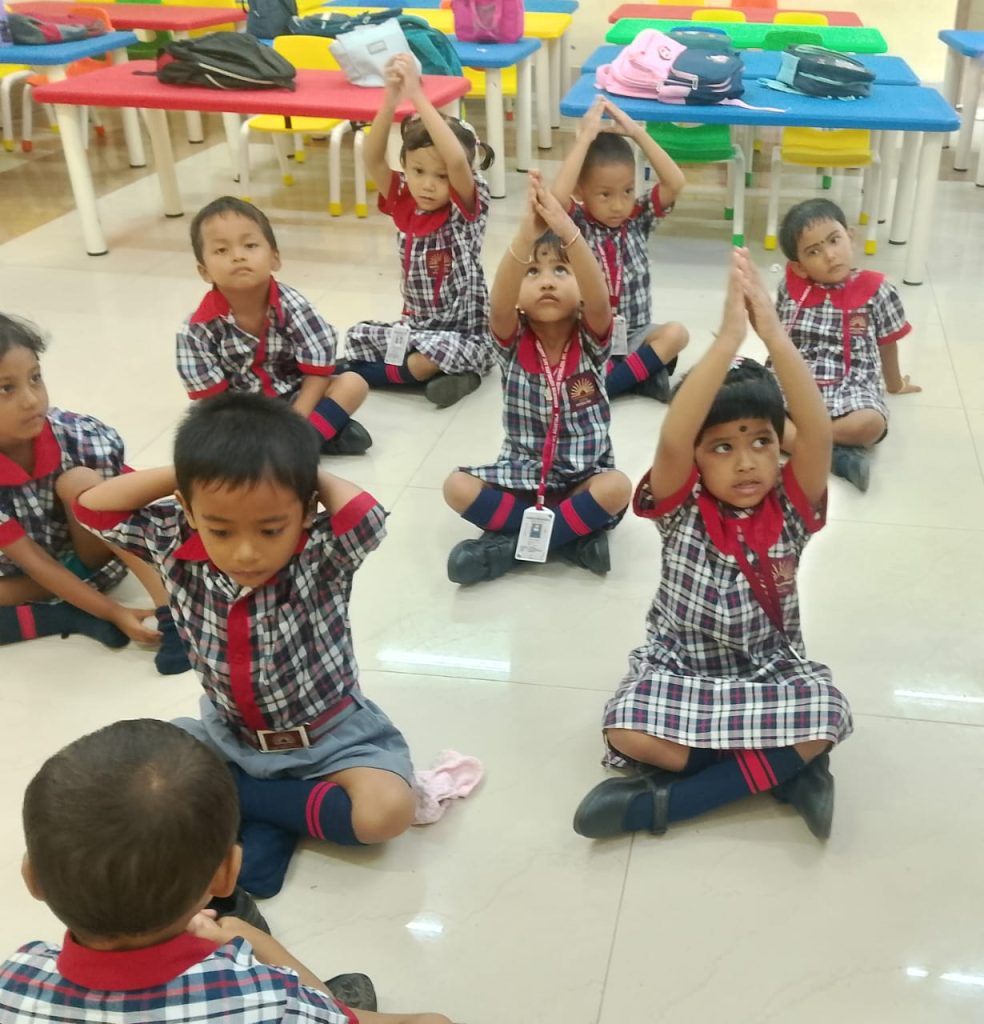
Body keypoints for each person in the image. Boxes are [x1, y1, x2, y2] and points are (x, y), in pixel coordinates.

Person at [74, 394, 416, 899]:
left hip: (330, 737)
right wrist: (195, 473)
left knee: (387, 812)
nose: (247, 551)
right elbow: (91, 508)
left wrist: (296, 471)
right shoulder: (171, 539)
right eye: (221, 529)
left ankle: (244, 803)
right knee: (139, 776)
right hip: (230, 736)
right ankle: (280, 810)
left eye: (271, 528)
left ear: (307, 510)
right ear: (189, 510)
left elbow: (367, 518)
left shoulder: (321, 551)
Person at [574, 251, 852, 842]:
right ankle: (781, 771)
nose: (746, 462)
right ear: (698, 460)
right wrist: (728, 339)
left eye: (760, 442)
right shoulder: (682, 504)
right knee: (624, 727)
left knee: (828, 713)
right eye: (723, 447)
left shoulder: (790, 507)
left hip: (768, 669)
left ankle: (670, 803)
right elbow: (675, 436)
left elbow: (818, 432)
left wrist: (772, 334)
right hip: (680, 665)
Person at [0, 718, 452, 1024]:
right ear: (227, 874)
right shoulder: (267, 998)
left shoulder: (14, 978)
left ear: (31, 878)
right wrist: (254, 942)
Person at [442, 171, 632, 585]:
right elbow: (498, 303)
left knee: (617, 488)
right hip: (523, 477)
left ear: (579, 291)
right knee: (456, 486)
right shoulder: (511, 342)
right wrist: (525, 235)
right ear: (519, 297)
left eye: (561, 270)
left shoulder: (591, 340)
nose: (546, 280)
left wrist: (567, 230)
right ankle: (571, 539)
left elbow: (599, 299)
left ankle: (507, 550)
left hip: (584, 478)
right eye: (533, 272)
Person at [0, 314, 188, 673]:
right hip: (27, 575)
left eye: (35, 378)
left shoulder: (76, 435)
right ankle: (65, 616)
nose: (30, 399)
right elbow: (36, 565)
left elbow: (132, 504)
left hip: (93, 551)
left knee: (81, 480)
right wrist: (113, 612)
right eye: (5, 389)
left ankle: (171, 612)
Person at [346, 54, 494, 409]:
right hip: (417, 328)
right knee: (356, 336)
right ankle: (440, 375)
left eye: (440, 177)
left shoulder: (463, 209)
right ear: (406, 168)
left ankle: (362, 376)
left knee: (423, 360)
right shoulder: (404, 199)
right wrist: (390, 100)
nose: (428, 185)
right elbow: (372, 158)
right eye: (418, 172)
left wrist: (417, 95)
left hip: (465, 334)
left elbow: (455, 160)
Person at [178, 196, 372, 456]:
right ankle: (321, 435)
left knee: (353, 384)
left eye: (250, 245)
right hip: (240, 412)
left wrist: (295, 421)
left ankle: (296, 445)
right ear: (204, 271)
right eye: (221, 250)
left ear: (275, 258)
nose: (238, 256)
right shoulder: (196, 331)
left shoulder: (293, 306)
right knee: (203, 434)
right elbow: (214, 403)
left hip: (296, 396)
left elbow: (317, 370)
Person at [775, 198, 918, 492]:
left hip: (853, 383)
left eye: (834, 240)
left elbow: (887, 343)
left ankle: (803, 444)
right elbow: (779, 339)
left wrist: (894, 384)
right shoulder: (790, 289)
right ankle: (837, 456)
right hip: (796, 380)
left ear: (850, 236)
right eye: (813, 251)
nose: (830, 255)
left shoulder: (878, 290)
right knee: (755, 410)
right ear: (799, 267)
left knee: (871, 424)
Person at [551, 96, 689, 403]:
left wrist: (638, 133)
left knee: (676, 334)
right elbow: (556, 197)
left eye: (627, 191)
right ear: (580, 190)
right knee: (558, 352)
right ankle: (640, 376)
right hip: (589, 335)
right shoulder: (576, 224)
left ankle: (608, 385)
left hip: (636, 332)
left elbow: (675, 182)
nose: (618, 205)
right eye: (605, 194)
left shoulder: (638, 218)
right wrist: (584, 139)